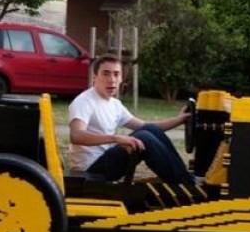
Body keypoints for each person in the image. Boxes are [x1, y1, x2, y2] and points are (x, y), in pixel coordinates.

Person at [68, 54, 194, 184]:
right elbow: (76, 136)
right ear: (95, 77)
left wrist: (179, 119)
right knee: (144, 137)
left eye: (116, 74)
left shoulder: (114, 104)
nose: (111, 79)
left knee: (149, 129)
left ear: (121, 78)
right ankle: (186, 184)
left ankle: (185, 179)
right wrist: (116, 139)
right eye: (106, 74)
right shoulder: (84, 101)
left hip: (106, 160)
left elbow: (145, 125)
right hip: (89, 169)